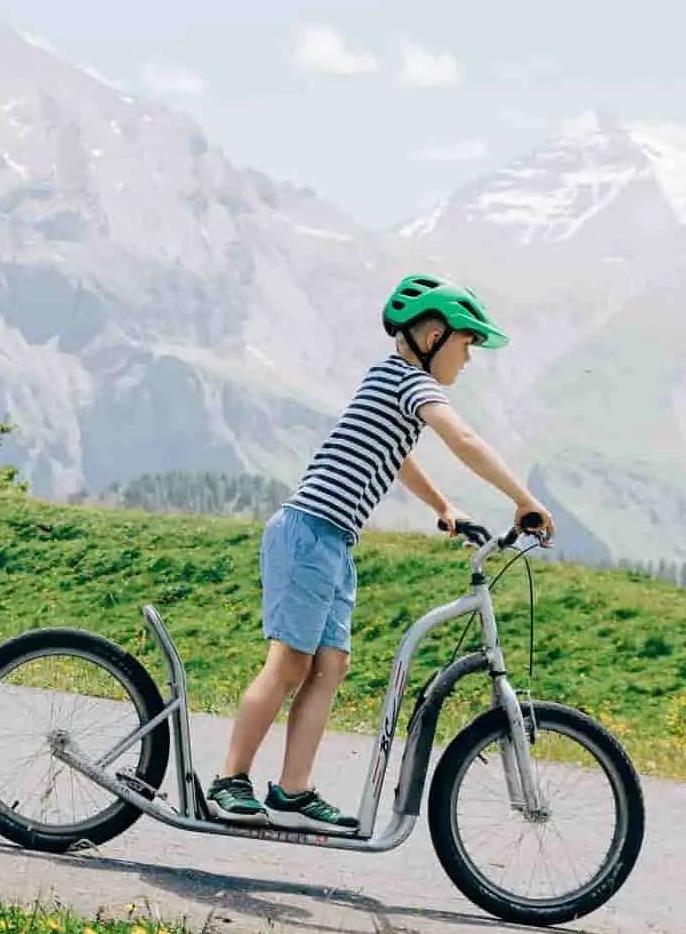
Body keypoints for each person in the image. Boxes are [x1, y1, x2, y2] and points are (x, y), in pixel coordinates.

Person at [207, 275, 553, 831]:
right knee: (290, 664)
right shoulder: (411, 383)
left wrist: (444, 506)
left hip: (334, 542)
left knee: (330, 666)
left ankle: (293, 791)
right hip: (307, 532)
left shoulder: (392, 382)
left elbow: (395, 456)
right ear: (435, 335)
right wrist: (525, 500)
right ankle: (228, 782)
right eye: (467, 346)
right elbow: (462, 441)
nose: (468, 361)